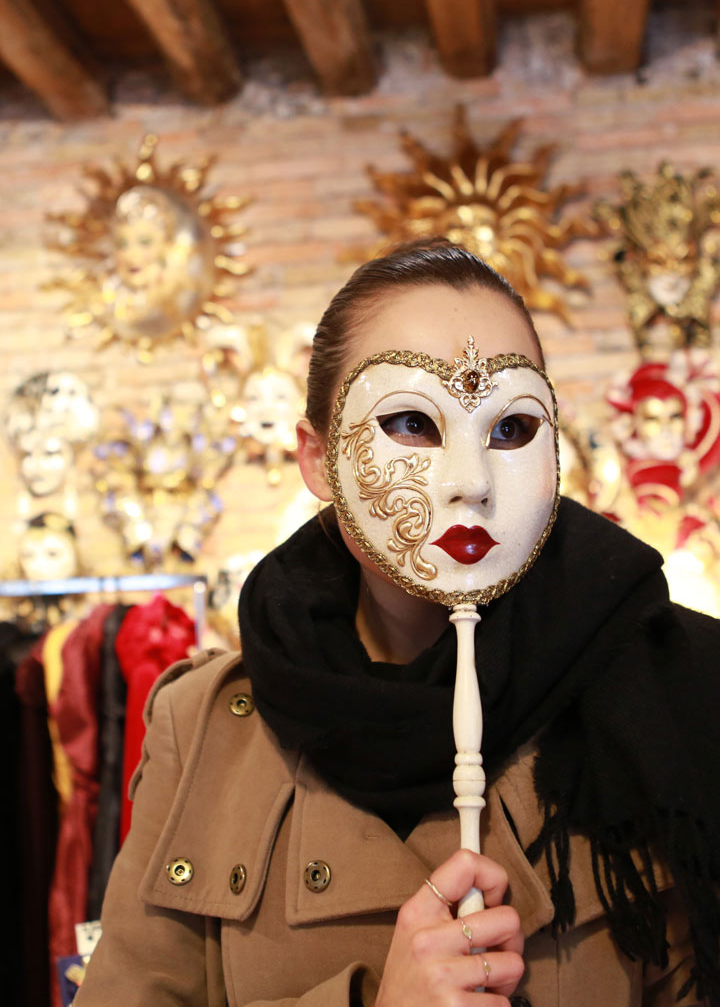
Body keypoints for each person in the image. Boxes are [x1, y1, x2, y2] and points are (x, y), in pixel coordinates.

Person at [75, 240, 720, 1007]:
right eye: (412, 422)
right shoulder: (206, 731)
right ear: (317, 458)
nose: (470, 482)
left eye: (510, 428)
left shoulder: (668, 692)